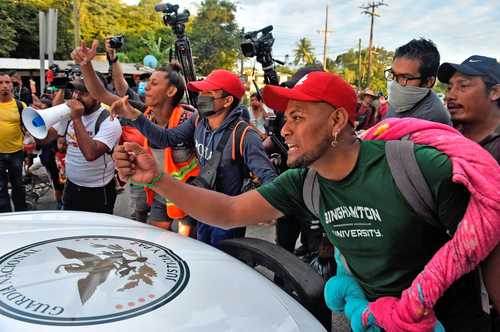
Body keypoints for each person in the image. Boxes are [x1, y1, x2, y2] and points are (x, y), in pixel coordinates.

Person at [113, 71, 499, 331]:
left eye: (297, 116)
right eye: (285, 117)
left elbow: (487, 238)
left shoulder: (415, 166)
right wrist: (159, 179)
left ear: (336, 121)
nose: (285, 128)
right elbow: (229, 211)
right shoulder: (303, 183)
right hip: (377, 320)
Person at [110, 67, 277, 246]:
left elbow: (269, 177)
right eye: (201, 91)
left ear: (227, 100)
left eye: (209, 92)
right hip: (202, 207)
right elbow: (167, 138)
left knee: (223, 260)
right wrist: (133, 115)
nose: (201, 97)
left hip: (226, 217)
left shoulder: (245, 135)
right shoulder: (199, 120)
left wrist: (264, 210)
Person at [72, 41, 201, 236]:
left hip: (188, 194)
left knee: (187, 242)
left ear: (171, 91)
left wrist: (134, 116)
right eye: (147, 83)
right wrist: (85, 65)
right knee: (158, 238)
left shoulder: (189, 119)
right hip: (161, 189)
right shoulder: (145, 112)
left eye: (154, 84)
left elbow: (164, 138)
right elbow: (100, 93)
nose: (146, 88)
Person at [438, 54, 500, 327]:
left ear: (495, 91)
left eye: (463, 86)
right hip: (452, 289)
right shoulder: (444, 140)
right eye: (449, 87)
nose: (451, 94)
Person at [39, 78, 122, 214]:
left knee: (96, 233)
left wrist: (77, 119)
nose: (77, 97)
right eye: (75, 92)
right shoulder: (68, 116)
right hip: (71, 186)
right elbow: (45, 138)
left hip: (98, 191)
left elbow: (91, 154)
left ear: (99, 95)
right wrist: (34, 122)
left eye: (83, 93)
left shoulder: (109, 121)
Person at [383, 38, 452, 125]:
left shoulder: (431, 119)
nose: (395, 83)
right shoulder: (401, 102)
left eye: (405, 77)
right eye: (393, 74)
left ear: (428, 82)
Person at [0, 71, 27, 212]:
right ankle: (4, 218)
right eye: (0, 83)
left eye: (7, 82)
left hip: (16, 152)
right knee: (0, 188)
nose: (4, 86)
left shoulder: (20, 105)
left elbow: (30, 127)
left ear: (12, 85)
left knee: (18, 185)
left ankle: (22, 214)